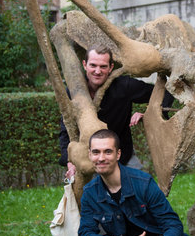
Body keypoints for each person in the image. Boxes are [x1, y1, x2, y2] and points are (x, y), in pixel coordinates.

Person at [68, 129, 195, 236]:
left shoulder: (143, 183)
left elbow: (171, 222)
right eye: (96, 152)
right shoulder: (90, 193)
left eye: (108, 151)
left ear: (118, 154)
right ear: (90, 155)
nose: (101, 158)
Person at [58, 45, 174, 177]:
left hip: (123, 156)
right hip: (89, 159)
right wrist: (70, 160)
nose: (97, 71)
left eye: (103, 66)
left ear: (111, 68)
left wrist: (149, 113)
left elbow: (165, 92)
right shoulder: (74, 92)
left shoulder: (124, 86)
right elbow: (66, 129)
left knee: (141, 190)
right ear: (85, 65)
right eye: (93, 65)